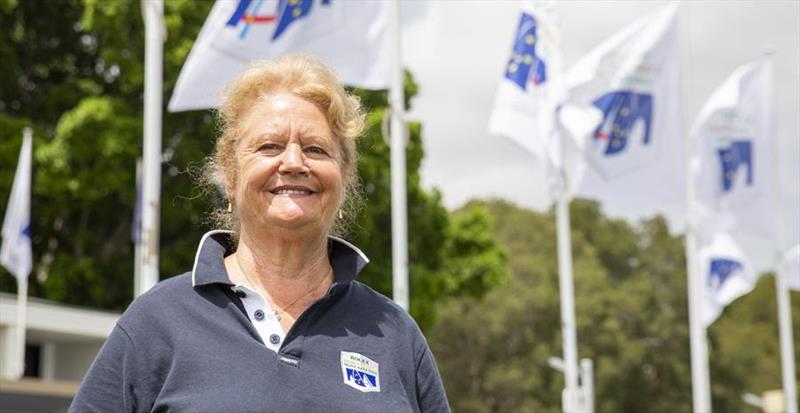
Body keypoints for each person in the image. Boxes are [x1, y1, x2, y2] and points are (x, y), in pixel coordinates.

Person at [70, 54, 450, 413]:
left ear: (344, 178)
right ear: (231, 176)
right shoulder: (156, 322)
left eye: (316, 149)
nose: (294, 162)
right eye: (270, 146)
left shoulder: (394, 334)